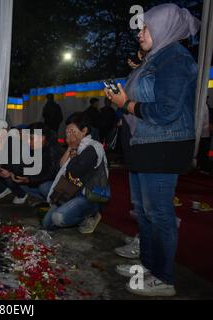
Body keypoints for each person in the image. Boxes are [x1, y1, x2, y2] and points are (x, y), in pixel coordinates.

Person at [105, 4, 200, 297]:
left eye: (146, 28)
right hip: (144, 144)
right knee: (144, 212)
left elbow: (167, 111)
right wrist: (121, 100)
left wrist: (126, 105)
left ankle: (164, 277)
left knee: (159, 213)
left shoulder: (175, 59)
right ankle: (147, 265)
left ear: (163, 29)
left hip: (163, 145)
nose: (139, 33)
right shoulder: (155, 57)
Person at [42, 112, 107, 234]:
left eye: (72, 131)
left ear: (84, 130)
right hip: (70, 188)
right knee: (47, 224)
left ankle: (89, 216)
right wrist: (70, 148)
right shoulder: (76, 145)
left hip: (87, 194)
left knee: (58, 218)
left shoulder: (92, 148)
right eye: (67, 131)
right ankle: (68, 207)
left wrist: (73, 149)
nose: (69, 134)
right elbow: (61, 166)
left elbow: (75, 171)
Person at [0, 122, 62, 205]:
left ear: (42, 137)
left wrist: (28, 179)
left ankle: (50, 201)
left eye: (31, 138)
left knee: (42, 187)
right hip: (37, 177)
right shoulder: (36, 146)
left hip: (54, 183)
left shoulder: (52, 149)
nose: (28, 141)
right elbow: (25, 165)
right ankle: (39, 198)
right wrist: (9, 171)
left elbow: (49, 173)